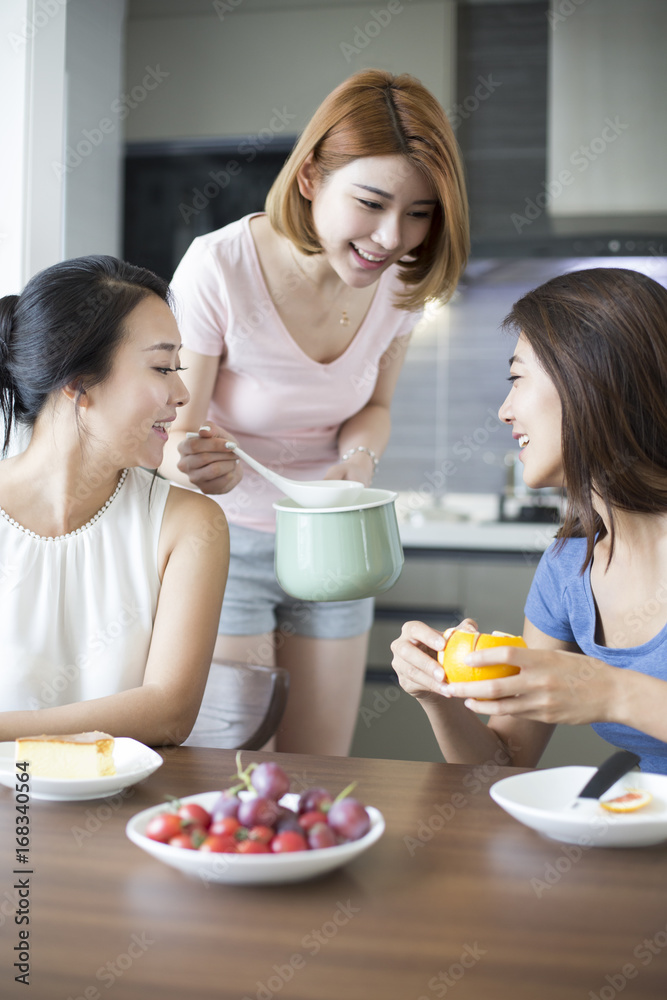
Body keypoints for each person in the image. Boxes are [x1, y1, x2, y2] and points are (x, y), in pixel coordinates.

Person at [160, 69, 469, 755]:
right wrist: (191, 462)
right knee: (233, 769)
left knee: (319, 766)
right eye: (371, 202)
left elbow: (374, 408)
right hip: (227, 537)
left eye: (419, 213)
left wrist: (356, 462)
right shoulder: (219, 268)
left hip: (338, 537)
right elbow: (173, 431)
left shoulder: (399, 287)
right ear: (309, 179)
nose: (391, 237)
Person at [391, 267, 667, 774]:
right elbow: (503, 763)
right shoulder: (569, 569)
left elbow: (611, 693)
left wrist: (614, 692)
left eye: (517, 379)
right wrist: (438, 693)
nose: (504, 411)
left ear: (591, 381)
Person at [0, 256, 229, 746]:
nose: (183, 393)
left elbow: (168, 713)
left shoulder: (189, 525)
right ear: (78, 382)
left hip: (129, 796)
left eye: (178, 368)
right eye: (163, 367)